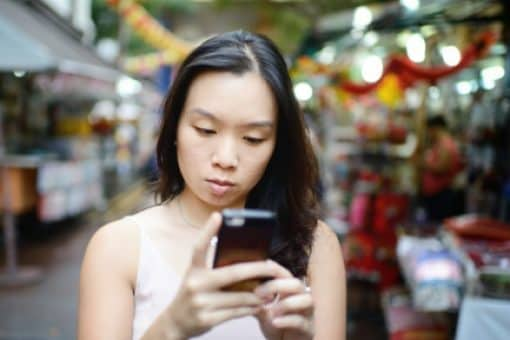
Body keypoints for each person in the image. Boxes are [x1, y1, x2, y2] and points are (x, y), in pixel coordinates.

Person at [78, 31, 345, 340]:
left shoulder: (315, 245)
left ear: (277, 144)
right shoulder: (117, 247)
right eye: (205, 130)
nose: (226, 158)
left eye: (253, 138)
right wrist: (172, 327)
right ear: (174, 125)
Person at [420, 114, 463, 221]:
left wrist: (424, 164)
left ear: (435, 128)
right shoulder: (439, 143)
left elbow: (442, 168)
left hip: (441, 195)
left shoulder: (446, 144)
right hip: (435, 194)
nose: (428, 134)